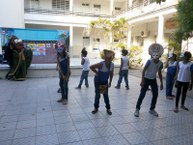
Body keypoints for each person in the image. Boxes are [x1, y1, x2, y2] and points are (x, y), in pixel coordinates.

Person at [134, 43, 163, 117]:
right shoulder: (149, 61)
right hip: (146, 79)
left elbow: (159, 73)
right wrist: (142, 80)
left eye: (157, 54)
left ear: (160, 55)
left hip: (153, 80)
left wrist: (161, 83)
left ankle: (152, 109)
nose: (155, 56)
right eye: (154, 54)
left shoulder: (160, 63)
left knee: (155, 94)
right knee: (142, 94)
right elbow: (144, 70)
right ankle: (137, 109)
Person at [90, 49, 115, 115]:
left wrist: (110, 82)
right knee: (98, 95)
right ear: (105, 58)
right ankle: (96, 108)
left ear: (111, 58)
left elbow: (111, 73)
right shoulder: (101, 64)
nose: (108, 59)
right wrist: (96, 72)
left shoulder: (112, 65)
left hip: (104, 81)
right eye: (107, 58)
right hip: (98, 81)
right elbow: (91, 67)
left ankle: (108, 108)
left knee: (105, 95)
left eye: (110, 58)